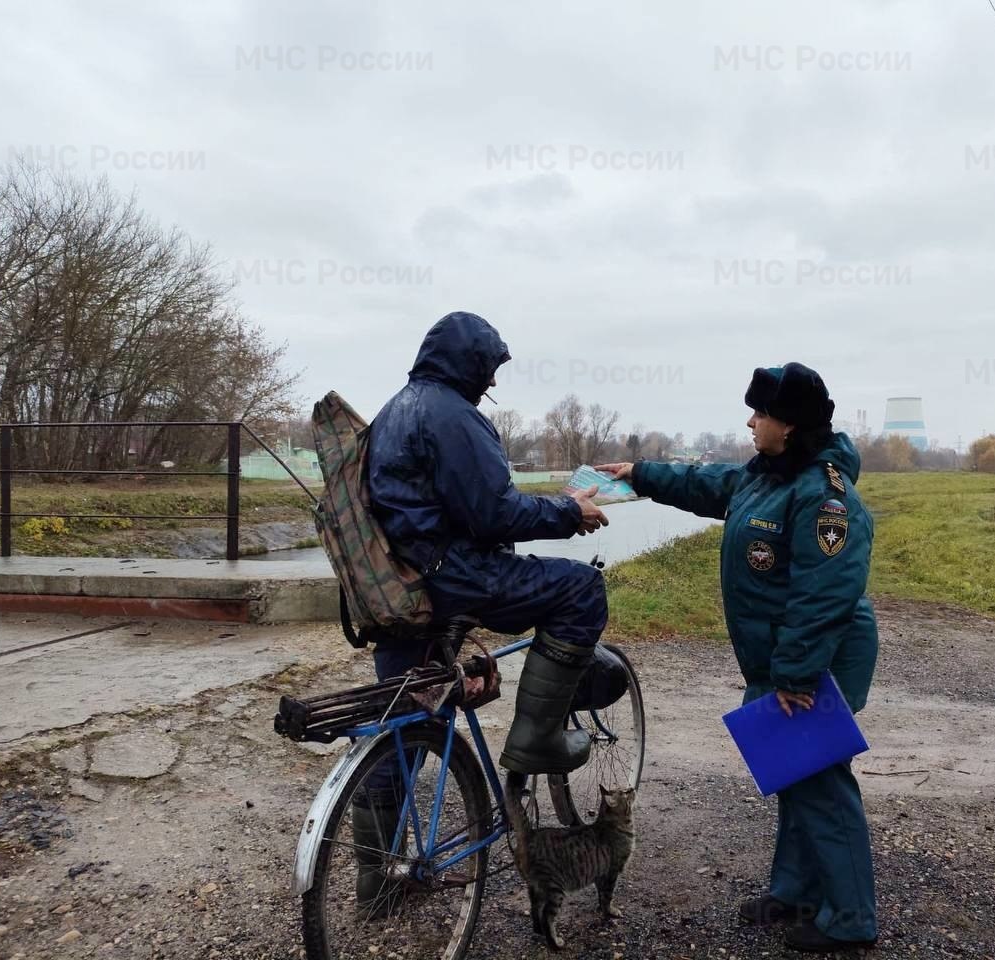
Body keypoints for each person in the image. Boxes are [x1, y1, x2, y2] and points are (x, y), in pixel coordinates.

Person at [597, 362, 879, 953]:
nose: (751, 422)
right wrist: (640, 474)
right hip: (785, 657)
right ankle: (796, 891)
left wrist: (796, 674)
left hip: (818, 656)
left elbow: (825, 593)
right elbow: (707, 484)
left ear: (790, 423)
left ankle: (851, 918)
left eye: (760, 413)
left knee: (820, 779)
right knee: (795, 772)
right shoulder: (767, 476)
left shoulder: (824, 496)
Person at [366, 311, 611, 775]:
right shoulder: (453, 416)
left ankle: (373, 818)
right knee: (582, 588)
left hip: (398, 582)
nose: (493, 380)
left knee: (405, 714)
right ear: (469, 362)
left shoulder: (393, 410)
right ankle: (538, 741)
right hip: (454, 578)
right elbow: (494, 515)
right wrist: (569, 511)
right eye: (491, 367)